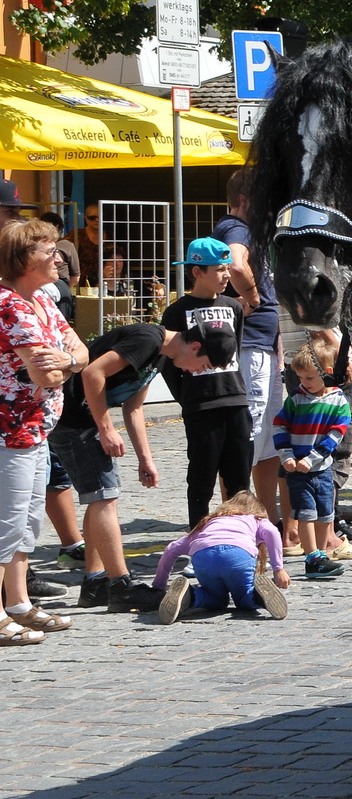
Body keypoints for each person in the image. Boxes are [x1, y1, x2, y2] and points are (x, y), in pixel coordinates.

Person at [49, 321, 210, 611]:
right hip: (74, 420)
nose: (196, 371)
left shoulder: (160, 354)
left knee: (100, 497)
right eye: (203, 365)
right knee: (104, 497)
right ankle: (121, 586)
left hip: (83, 422)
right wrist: (106, 429)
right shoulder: (148, 339)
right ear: (195, 347)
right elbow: (92, 372)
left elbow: (133, 407)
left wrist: (145, 459)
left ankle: (95, 583)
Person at [0, 220, 90, 646]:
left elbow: (82, 352)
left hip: (37, 429)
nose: (59, 258)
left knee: (28, 523)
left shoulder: (41, 301)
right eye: (49, 251)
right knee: (7, 522)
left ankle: (18, 603)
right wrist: (65, 363)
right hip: (11, 432)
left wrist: (67, 360)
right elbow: (44, 373)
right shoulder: (10, 305)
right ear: (22, 259)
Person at [214, 173, 286, 549]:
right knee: (248, 438)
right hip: (251, 347)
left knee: (269, 442)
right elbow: (237, 264)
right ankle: (237, 526)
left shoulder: (246, 228)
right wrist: (254, 299)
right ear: (246, 198)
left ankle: (265, 523)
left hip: (263, 347)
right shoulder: (236, 227)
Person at [160, 237, 252, 528]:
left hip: (235, 400)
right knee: (201, 478)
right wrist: (188, 397)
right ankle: (198, 536)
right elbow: (169, 365)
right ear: (197, 272)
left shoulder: (234, 307)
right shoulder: (176, 311)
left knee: (239, 478)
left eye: (228, 268)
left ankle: (239, 535)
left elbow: (235, 349)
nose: (226, 275)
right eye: (219, 270)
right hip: (201, 405)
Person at [272, 341, 349, 581]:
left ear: (327, 373)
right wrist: (287, 455)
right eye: (300, 378)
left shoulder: (338, 401)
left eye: (309, 378)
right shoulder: (296, 398)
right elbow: (279, 426)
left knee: (325, 513)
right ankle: (312, 557)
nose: (304, 383)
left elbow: (335, 436)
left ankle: (323, 553)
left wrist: (313, 458)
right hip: (297, 468)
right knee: (305, 512)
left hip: (322, 468)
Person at [153, 491, 289, 623]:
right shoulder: (256, 518)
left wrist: (159, 586)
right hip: (237, 556)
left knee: (216, 598)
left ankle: (191, 596)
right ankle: (259, 596)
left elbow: (171, 549)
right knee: (244, 597)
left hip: (204, 557)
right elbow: (272, 532)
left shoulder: (209, 522)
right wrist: (278, 569)